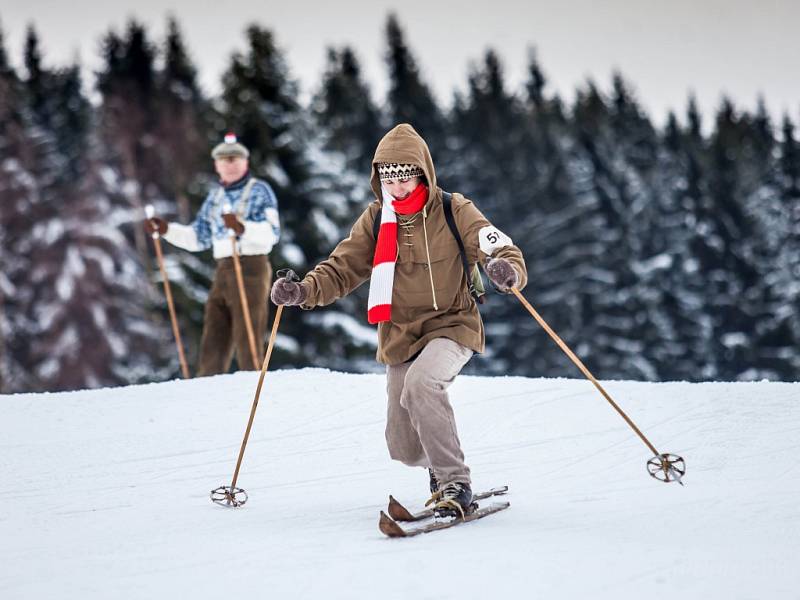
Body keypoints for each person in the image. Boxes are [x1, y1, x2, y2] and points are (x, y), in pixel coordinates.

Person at [270, 123, 527, 518]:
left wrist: (506, 269)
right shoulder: (376, 220)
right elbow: (341, 268)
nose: (398, 188)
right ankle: (437, 471)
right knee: (403, 444)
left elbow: (499, 245)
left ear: (422, 172)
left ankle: (455, 482)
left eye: (405, 177)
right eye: (389, 179)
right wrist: (303, 291)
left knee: (423, 384)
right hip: (400, 333)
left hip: (452, 324)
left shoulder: (453, 209)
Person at [145, 134, 280, 376]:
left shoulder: (259, 191)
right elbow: (199, 237)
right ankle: (207, 384)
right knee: (214, 329)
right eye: (224, 160)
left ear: (245, 162)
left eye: (235, 159)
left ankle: (252, 384)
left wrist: (242, 227)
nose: (230, 165)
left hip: (251, 265)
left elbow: (272, 233)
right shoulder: (215, 197)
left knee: (247, 331)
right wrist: (166, 230)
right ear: (216, 165)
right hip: (223, 267)